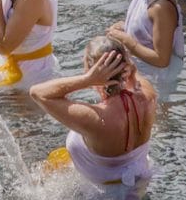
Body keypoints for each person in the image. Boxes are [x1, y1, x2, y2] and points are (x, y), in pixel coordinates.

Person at [30, 35, 156, 186]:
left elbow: (37, 92)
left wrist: (86, 80)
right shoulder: (148, 96)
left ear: (91, 71)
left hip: (102, 196)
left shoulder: (96, 118)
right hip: (141, 181)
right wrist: (132, 72)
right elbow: (133, 75)